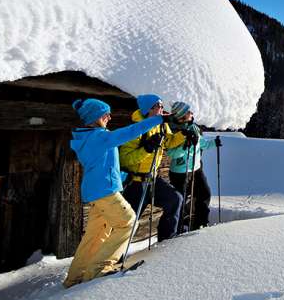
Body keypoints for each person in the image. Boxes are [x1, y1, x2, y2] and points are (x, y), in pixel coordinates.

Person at [64, 98, 167, 288]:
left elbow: (102, 164)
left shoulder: (89, 138)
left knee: (96, 234)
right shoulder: (99, 136)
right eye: (106, 114)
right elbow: (129, 132)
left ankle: (74, 277)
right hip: (105, 191)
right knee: (128, 222)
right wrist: (157, 120)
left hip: (98, 189)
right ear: (95, 117)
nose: (110, 117)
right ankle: (100, 268)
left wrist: (121, 175)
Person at [119, 94, 186, 242]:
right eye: (158, 106)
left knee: (175, 199)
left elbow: (169, 142)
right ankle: (116, 258)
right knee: (129, 221)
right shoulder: (136, 129)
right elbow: (123, 160)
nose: (162, 109)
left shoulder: (162, 125)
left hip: (153, 179)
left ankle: (167, 241)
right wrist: (146, 149)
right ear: (147, 110)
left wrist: (184, 134)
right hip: (136, 183)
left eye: (162, 106)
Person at [166, 101, 222, 231]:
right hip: (180, 172)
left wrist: (214, 143)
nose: (191, 113)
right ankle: (177, 228)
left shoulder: (194, 127)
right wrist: (186, 147)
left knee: (204, 193)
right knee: (180, 200)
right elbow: (171, 153)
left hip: (196, 169)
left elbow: (201, 144)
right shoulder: (174, 130)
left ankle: (200, 224)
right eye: (188, 111)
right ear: (182, 115)